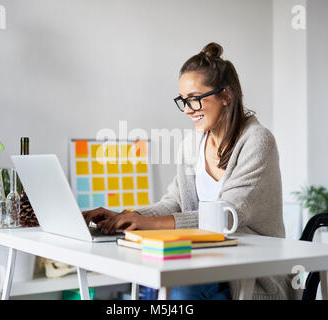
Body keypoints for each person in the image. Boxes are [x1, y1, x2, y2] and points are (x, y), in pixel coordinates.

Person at [83, 42, 298, 300]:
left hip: (248, 279)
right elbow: (175, 202)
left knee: (178, 289)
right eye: (183, 101)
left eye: (194, 99)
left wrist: (148, 224)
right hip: (202, 264)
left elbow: (225, 218)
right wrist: (127, 217)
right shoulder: (191, 144)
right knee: (153, 286)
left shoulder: (257, 141)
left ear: (226, 96)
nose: (187, 110)